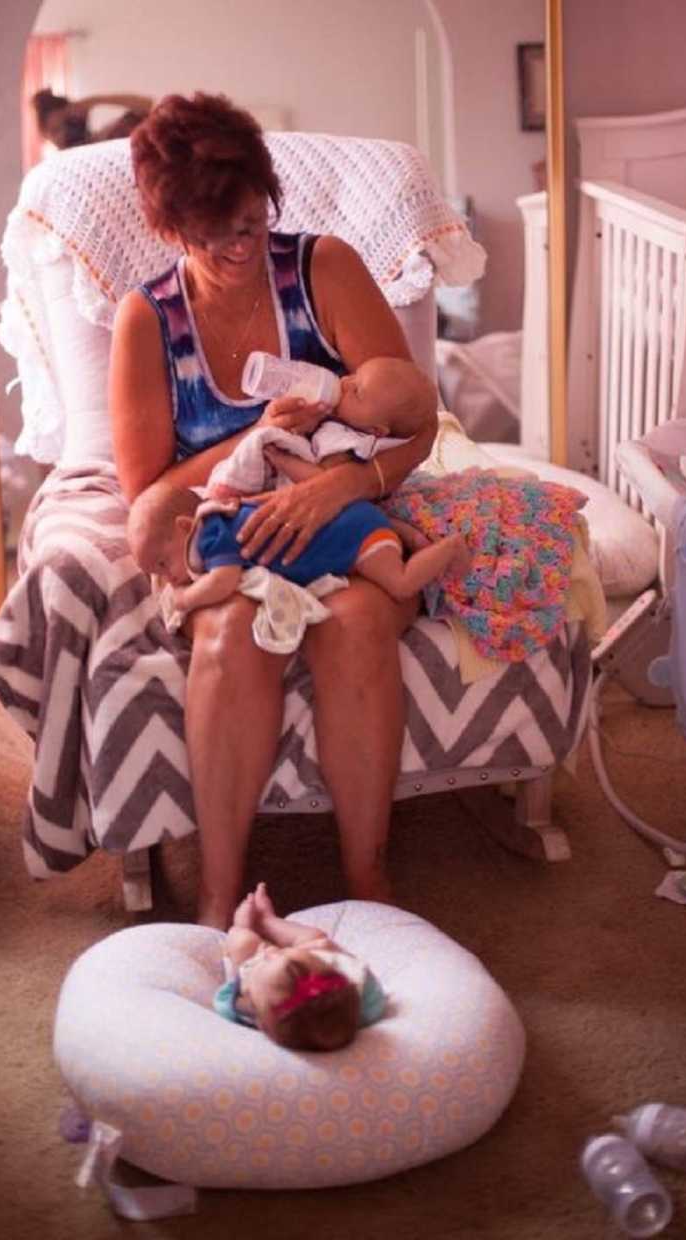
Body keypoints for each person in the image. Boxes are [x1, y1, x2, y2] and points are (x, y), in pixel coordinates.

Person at [110, 92, 439, 928]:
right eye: (216, 233)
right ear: (168, 230)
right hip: (227, 533)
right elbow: (152, 493)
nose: (241, 245)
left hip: (342, 516)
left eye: (253, 222)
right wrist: (256, 440)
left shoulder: (323, 268)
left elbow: (416, 422)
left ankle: (367, 879)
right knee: (232, 633)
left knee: (360, 622)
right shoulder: (148, 321)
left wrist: (343, 485)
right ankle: (222, 899)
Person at [127, 472, 469, 617]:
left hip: (360, 535)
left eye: (162, 564)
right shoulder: (218, 523)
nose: (166, 577)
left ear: (186, 526)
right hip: (355, 524)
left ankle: (450, 548)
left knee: (401, 584)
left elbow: (224, 581)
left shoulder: (214, 536)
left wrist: (185, 598)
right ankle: (407, 534)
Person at [205, 354, 435, 501]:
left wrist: (281, 459)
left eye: (357, 392)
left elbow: (323, 481)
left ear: (377, 430)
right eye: (353, 376)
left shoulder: (352, 444)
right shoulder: (346, 423)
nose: (344, 382)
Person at [214, 882, 386, 1051]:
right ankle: (268, 921)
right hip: (314, 962)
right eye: (280, 953)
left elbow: (223, 998)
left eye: (269, 958)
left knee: (243, 942)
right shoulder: (365, 1004)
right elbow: (371, 988)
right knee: (317, 938)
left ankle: (243, 926)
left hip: (259, 971)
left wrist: (242, 933)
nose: (272, 950)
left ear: (261, 1024)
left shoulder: (240, 1007)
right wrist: (331, 952)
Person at [32, 89, 153, 150]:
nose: (63, 133)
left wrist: (95, 101)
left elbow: (148, 105)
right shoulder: (60, 169)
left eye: (66, 122)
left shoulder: (113, 133)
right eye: (55, 130)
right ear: (46, 136)